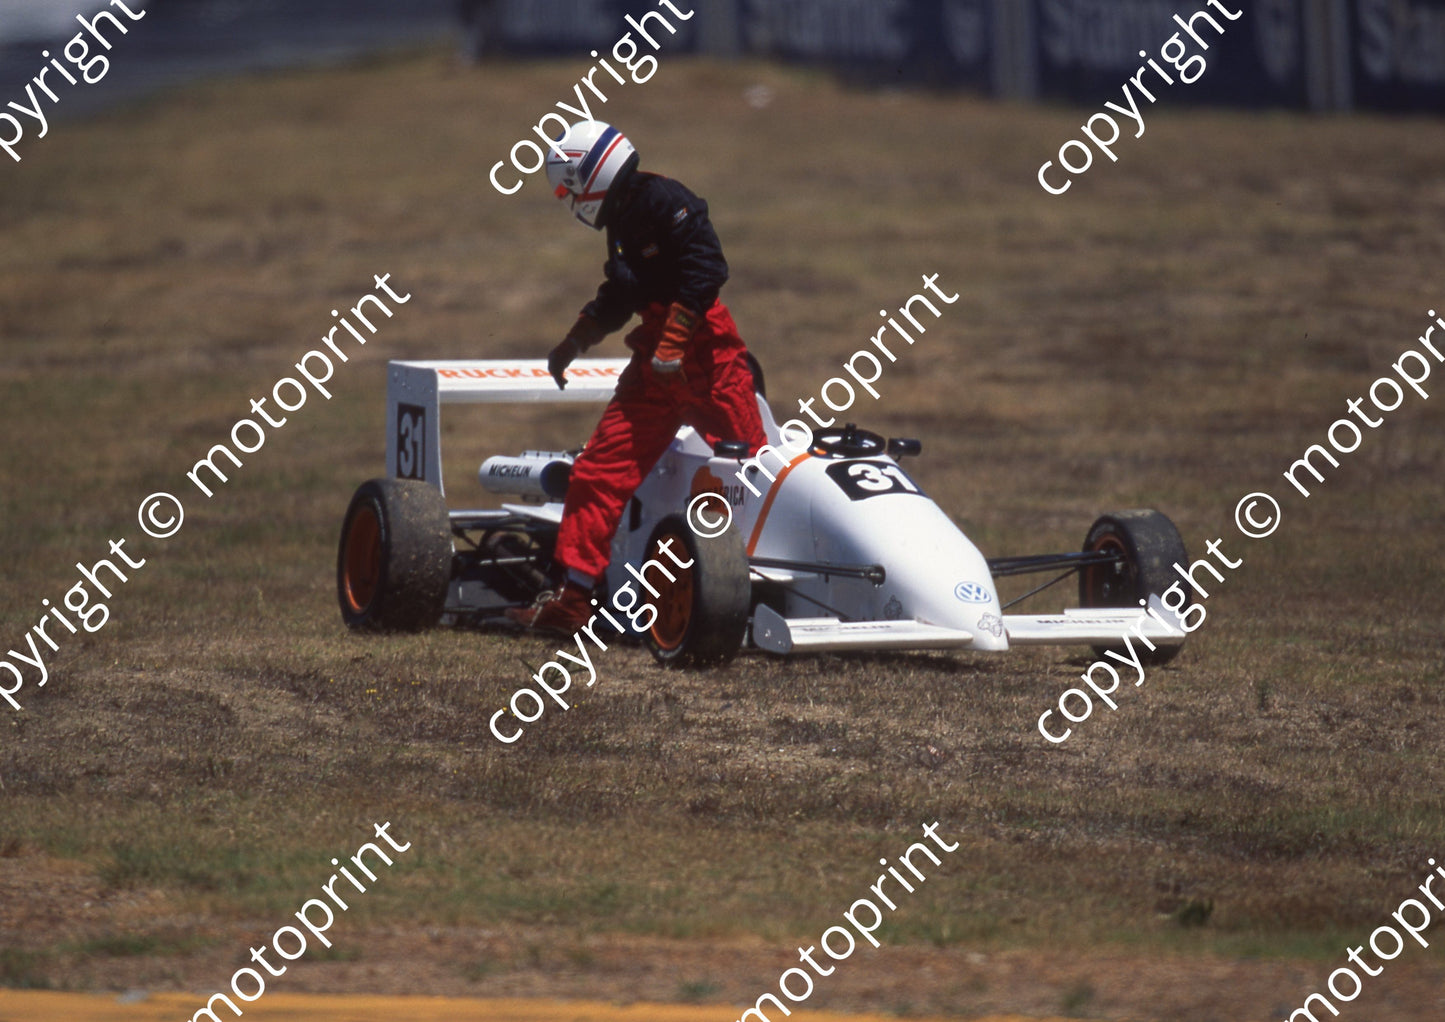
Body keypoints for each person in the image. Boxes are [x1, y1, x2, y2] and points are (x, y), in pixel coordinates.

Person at [506, 120, 766, 634]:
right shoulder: (622, 224)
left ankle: (752, 588)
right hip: (655, 365)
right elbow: (621, 292)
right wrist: (576, 340)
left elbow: (708, 267)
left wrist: (677, 336)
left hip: (708, 356)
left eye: (569, 188)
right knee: (598, 469)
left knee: (756, 472)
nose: (569, 200)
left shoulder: (665, 200)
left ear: (591, 177)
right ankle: (575, 597)